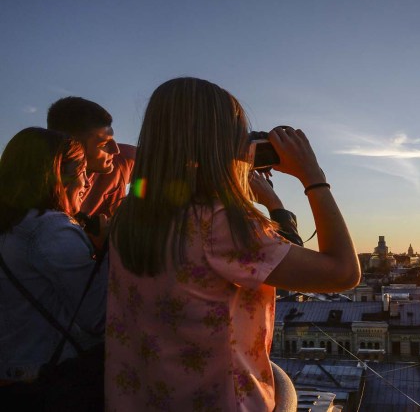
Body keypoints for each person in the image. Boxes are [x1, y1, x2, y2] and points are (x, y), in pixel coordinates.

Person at [105, 77, 361, 411]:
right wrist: (313, 177)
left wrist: (242, 188)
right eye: (240, 133)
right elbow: (343, 273)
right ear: (219, 142)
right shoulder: (218, 222)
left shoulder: (129, 214)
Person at [0, 128, 107, 408]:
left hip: (12, 372)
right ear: (56, 175)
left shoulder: (11, 226)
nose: (86, 181)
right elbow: (98, 317)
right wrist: (109, 251)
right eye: (81, 170)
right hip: (55, 378)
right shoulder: (51, 228)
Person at [47, 97, 136, 241]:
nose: (116, 150)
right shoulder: (44, 199)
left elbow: (170, 167)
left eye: (112, 139)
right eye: (103, 145)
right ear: (72, 147)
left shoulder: (124, 160)